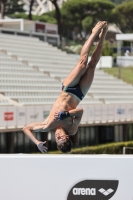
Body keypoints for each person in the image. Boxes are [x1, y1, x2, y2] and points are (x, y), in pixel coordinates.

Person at [23, 21, 108, 153]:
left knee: (82, 63)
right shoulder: (71, 128)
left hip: (68, 88)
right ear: (67, 137)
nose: (58, 137)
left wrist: (37, 142)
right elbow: (80, 112)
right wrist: (66, 114)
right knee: (91, 65)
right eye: (62, 138)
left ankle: (93, 33)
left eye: (58, 140)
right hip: (80, 94)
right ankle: (102, 35)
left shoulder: (47, 125)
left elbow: (25, 128)